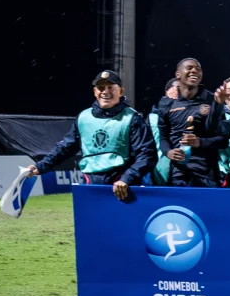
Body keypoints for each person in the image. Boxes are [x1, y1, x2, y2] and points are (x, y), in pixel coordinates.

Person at [30, 71, 154, 201]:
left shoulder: (133, 118)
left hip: (122, 187)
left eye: (111, 87)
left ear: (121, 91)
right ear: (95, 92)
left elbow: (147, 155)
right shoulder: (84, 117)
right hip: (90, 184)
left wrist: (126, 179)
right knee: (92, 221)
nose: (105, 92)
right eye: (101, 88)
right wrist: (40, 166)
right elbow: (65, 147)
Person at [154, 58, 222, 187]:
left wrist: (199, 142)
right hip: (178, 174)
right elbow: (163, 137)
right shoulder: (165, 103)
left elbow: (223, 140)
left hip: (207, 173)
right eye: (189, 68)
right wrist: (168, 152)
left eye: (198, 69)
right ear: (178, 74)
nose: (194, 71)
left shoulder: (213, 100)